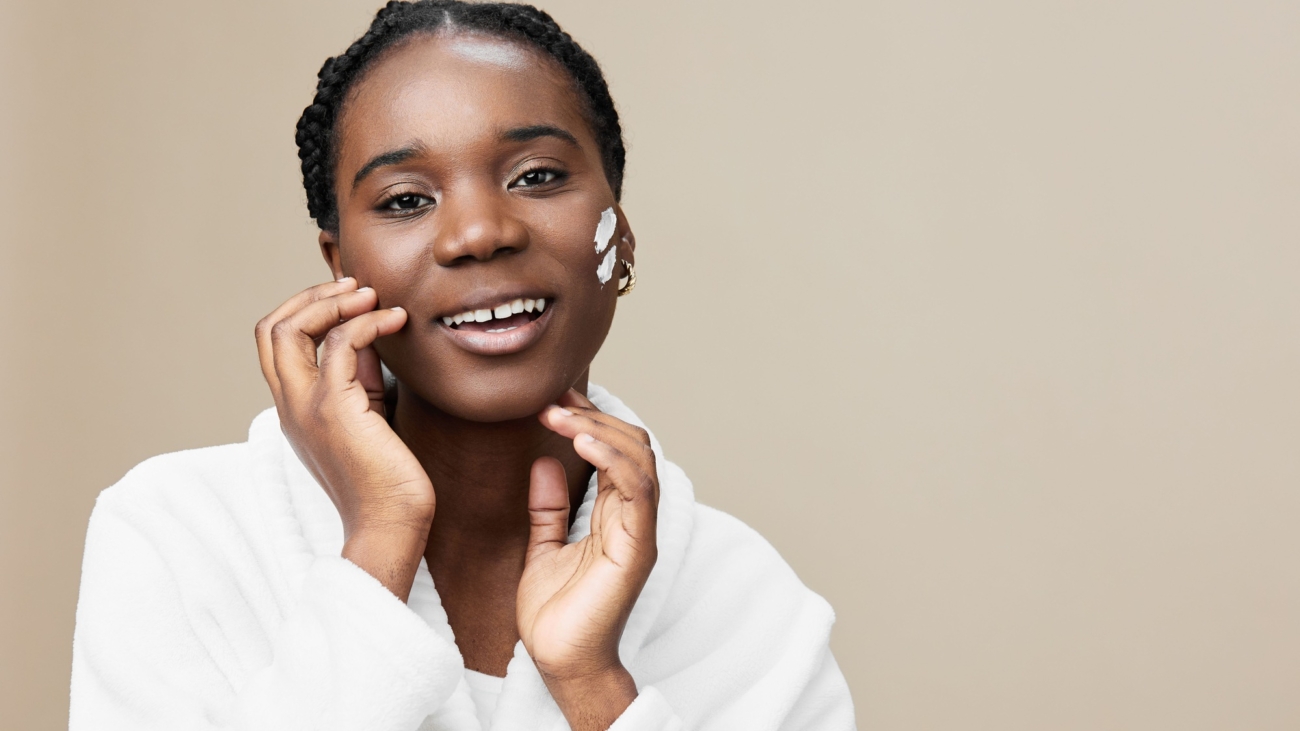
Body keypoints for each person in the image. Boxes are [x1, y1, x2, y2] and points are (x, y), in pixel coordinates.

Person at [68, 2, 857, 729]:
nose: (480, 231)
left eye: (538, 176)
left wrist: (591, 683)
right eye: (406, 199)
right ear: (341, 266)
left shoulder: (746, 602)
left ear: (617, 230)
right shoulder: (177, 537)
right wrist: (377, 549)